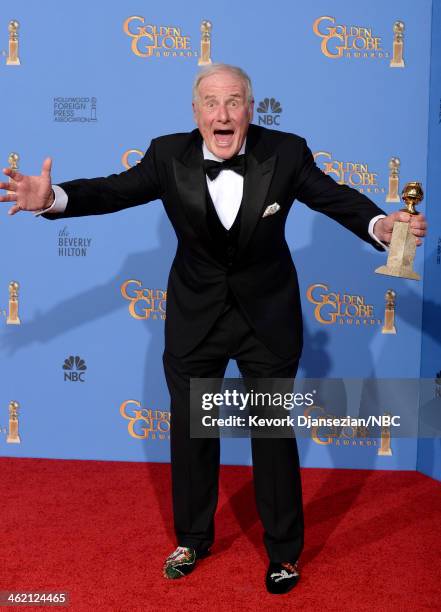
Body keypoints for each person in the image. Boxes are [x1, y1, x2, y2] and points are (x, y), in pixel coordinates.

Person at [0, 63, 427, 595]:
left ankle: (283, 553)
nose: (222, 114)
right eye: (211, 102)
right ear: (195, 111)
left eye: (233, 102)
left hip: (266, 319)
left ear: (250, 108)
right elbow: (112, 191)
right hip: (195, 318)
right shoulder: (166, 154)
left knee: (270, 435)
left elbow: (334, 197)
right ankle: (193, 537)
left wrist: (381, 226)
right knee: (191, 431)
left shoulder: (286, 151)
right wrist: (52, 198)